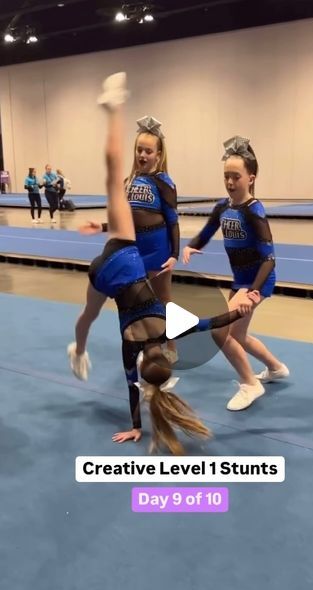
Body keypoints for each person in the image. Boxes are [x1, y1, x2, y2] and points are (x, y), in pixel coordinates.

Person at [67, 73, 257, 455]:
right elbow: (131, 386)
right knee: (87, 317)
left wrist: (237, 308)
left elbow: (211, 322)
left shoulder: (172, 323)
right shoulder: (128, 345)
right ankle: (80, 349)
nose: (142, 155)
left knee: (107, 179)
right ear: (143, 363)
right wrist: (138, 426)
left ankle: (114, 109)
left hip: (129, 254)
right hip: (111, 266)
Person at [183, 136, 289, 411]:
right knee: (237, 336)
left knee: (219, 332)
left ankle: (250, 384)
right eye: (226, 177)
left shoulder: (254, 211)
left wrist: (252, 292)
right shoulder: (223, 207)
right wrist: (191, 247)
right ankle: (276, 369)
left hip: (257, 280)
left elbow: (270, 258)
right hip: (241, 281)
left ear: (251, 178)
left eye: (236, 177)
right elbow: (207, 231)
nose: (230, 183)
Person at [78, 115, 179, 363]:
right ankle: (147, 344)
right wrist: (102, 225)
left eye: (148, 151)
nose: (143, 155)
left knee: (164, 299)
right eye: (139, 150)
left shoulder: (164, 182)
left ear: (158, 154)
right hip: (134, 253)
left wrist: (174, 254)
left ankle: (172, 347)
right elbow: (125, 219)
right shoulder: (128, 182)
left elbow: (173, 221)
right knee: (139, 304)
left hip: (157, 251)